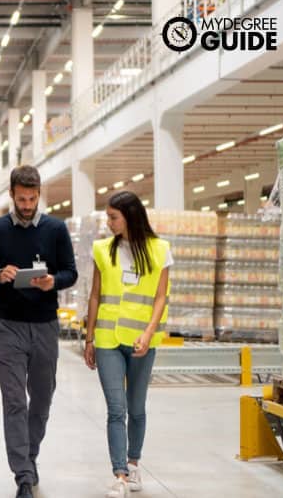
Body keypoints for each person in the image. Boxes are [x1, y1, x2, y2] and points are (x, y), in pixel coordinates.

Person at [0, 165, 78, 498]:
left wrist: (53, 281)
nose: (28, 204)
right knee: (15, 401)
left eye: (33, 198)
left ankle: (30, 456)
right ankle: (22, 474)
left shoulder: (56, 229)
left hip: (45, 325)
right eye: (22, 198)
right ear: (12, 194)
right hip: (7, 325)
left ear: (39, 194)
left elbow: (71, 272)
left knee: (43, 399)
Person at [83, 191, 172, 498]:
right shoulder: (101, 250)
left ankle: (134, 464)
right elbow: (95, 295)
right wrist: (89, 337)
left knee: (136, 408)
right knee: (115, 409)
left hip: (141, 342)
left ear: (130, 216)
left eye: (113, 217)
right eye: (107, 217)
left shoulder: (160, 250)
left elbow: (160, 297)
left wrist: (148, 334)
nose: (108, 223)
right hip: (108, 340)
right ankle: (119, 473)